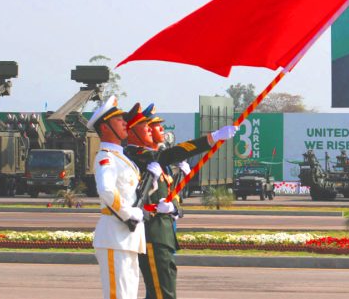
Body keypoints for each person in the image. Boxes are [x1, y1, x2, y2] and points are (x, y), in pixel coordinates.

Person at [123, 102, 237, 299]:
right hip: (152, 231)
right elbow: (167, 156)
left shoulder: (152, 157)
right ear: (131, 131)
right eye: (145, 126)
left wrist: (174, 208)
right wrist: (212, 138)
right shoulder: (135, 154)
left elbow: (167, 187)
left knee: (161, 290)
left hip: (163, 231)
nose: (151, 129)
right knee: (162, 292)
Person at [86, 95, 146, 299]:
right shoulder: (106, 157)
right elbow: (107, 190)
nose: (124, 123)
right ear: (105, 127)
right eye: (118, 120)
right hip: (114, 235)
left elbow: (128, 192)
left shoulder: (122, 158)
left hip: (127, 237)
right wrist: (129, 213)